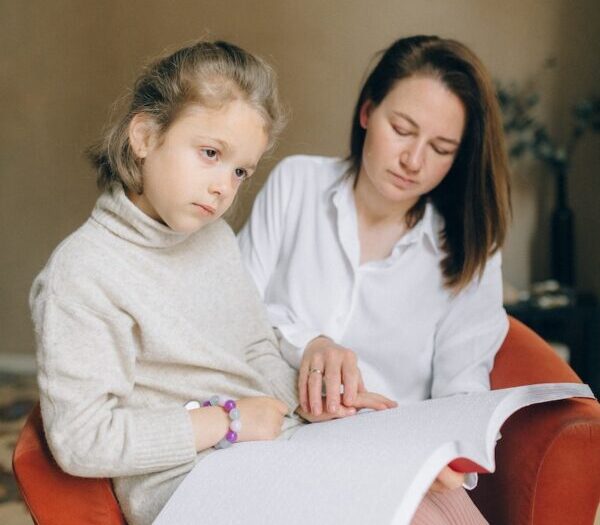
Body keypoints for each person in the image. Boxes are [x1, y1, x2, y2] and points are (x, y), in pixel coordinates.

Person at [30, 40, 391, 525]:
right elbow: (82, 440)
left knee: (408, 485)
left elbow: (255, 351)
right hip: (192, 488)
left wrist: (313, 405)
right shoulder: (83, 273)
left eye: (240, 169)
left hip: (272, 449)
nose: (224, 186)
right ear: (144, 136)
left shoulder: (213, 237)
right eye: (209, 153)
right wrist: (228, 422)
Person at [238, 35, 511, 524]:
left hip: (397, 458)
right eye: (402, 129)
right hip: (276, 440)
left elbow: (463, 392)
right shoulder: (295, 185)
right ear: (367, 112)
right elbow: (231, 314)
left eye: (441, 148)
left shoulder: (471, 250)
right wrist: (310, 347)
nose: (414, 161)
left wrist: (439, 451)